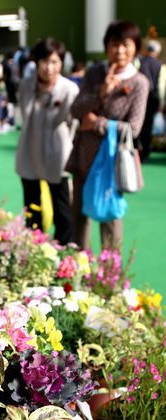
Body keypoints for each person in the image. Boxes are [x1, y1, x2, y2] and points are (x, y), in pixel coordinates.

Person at [66, 20, 149, 250]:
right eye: (114, 44)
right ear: (106, 47)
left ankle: (107, 278)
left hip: (112, 162)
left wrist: (96, 123)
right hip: (84, 157)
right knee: (79, 220)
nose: (120, 51)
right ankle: (76, 273)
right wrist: (101, 92)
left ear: (135, 47)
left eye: (126, 44)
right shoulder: (94, 73)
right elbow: (75, 110)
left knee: (110, 219)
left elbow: (133, 129)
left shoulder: (140, 83)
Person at [16, 37, 79, 245]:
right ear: (36, 62)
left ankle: (63, 248)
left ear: (61, 63)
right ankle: (34, 245)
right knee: (32, 204)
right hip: (30, 147)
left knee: (62, 205)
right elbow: (24, 114)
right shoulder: (27, 85)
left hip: (58, 151)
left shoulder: (69, 89)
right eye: (45, 62)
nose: (50, 68)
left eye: (55, 62)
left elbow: (72, 124)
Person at [138, 40, 162, 161]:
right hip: (154, 98)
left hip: (142, 98)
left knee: (141, 124)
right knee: (149, 124)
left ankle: (141, 150)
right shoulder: (160, 65)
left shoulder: (141, 62)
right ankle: (146, 150)